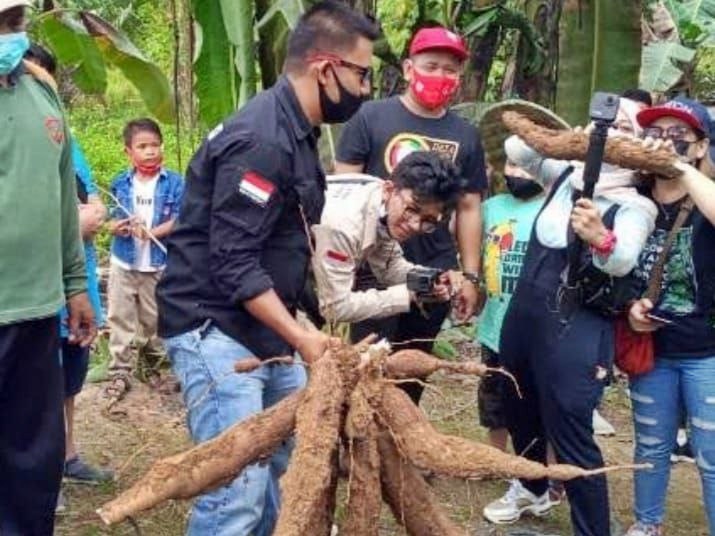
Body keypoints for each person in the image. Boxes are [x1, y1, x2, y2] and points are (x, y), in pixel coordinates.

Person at [156, 3, 378, 534]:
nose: (367, 89)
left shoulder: (298, 131)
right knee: (235, 490)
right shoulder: (262, 140)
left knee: (284, 476)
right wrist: (301, 340)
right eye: (362, 73)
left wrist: (301, 330)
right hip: (216, 328)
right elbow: (234, 264)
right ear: (326, 68)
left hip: (266, 330)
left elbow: (283, 243)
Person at [484, 97, 658, 535]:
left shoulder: (636, 205)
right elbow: (516, 148)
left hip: (576, 323)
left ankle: (592, 527)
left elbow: (622, 260)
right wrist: (571, 139)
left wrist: (601, 237)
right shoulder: (566, 176)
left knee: (571, 428)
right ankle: (532, 488)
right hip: (524, 313)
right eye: (609, 125)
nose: (613, 131)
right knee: (517, 401)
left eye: (624, 127)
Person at [335, 26, 487, 403]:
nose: (440, 76)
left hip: (433, 269)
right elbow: (343, 192)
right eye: (430, 66)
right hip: (372, 268)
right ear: (407, 68)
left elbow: (469, 208)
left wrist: (469, 275)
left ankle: (400, 451)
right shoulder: (369, 118)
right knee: (369, 368)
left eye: (449, 70)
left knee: (412, 374)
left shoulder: (465, 135)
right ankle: (360, 454)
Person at [0, 2, 96, 534]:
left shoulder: (42, 95)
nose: (7, 35)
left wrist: (75, 285)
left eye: (12, 23)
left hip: (36, 308)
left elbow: (63, 200)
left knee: (32, 459)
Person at [24, 44, 113, 509]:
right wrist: (77, 221)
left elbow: (87, 198)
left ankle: (65, 455)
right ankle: (36, 475)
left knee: (69, 378)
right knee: (31, 390)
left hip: (73, 283)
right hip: (30, 290)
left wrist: (90, 214)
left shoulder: (65, 137)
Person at [624, 97, 715, 536]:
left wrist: (683, 168)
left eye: (679, 134)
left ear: (701, 146)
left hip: (707, 353)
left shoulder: (706, 199)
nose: (664, 141)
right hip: (651, 350)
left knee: (711, 453)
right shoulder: (632, 197)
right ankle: (646, 524)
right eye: (655, 132)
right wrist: (629, 308)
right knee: (651, 446)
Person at [312, 151, 468, 329]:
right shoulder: (345, 224)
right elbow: (335, 307)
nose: (415, 225)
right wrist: (409, 294)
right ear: (389, 190)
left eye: (428, 221)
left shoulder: (381, 199)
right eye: (412, 209)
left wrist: (432, 279)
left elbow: (389, 267)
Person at [104, 118, 184, 402]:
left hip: (156, 264)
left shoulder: (174, 182)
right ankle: (119, 372)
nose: (150, 151)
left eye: (154, 145)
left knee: (153, 320)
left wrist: (152, 233)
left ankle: (155, 368)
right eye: (142, 146)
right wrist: (118, 226)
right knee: (120, 317)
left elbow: (180, 219)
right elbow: (111, 218)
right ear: (129, 152)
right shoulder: (120, 182)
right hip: (124, 262)